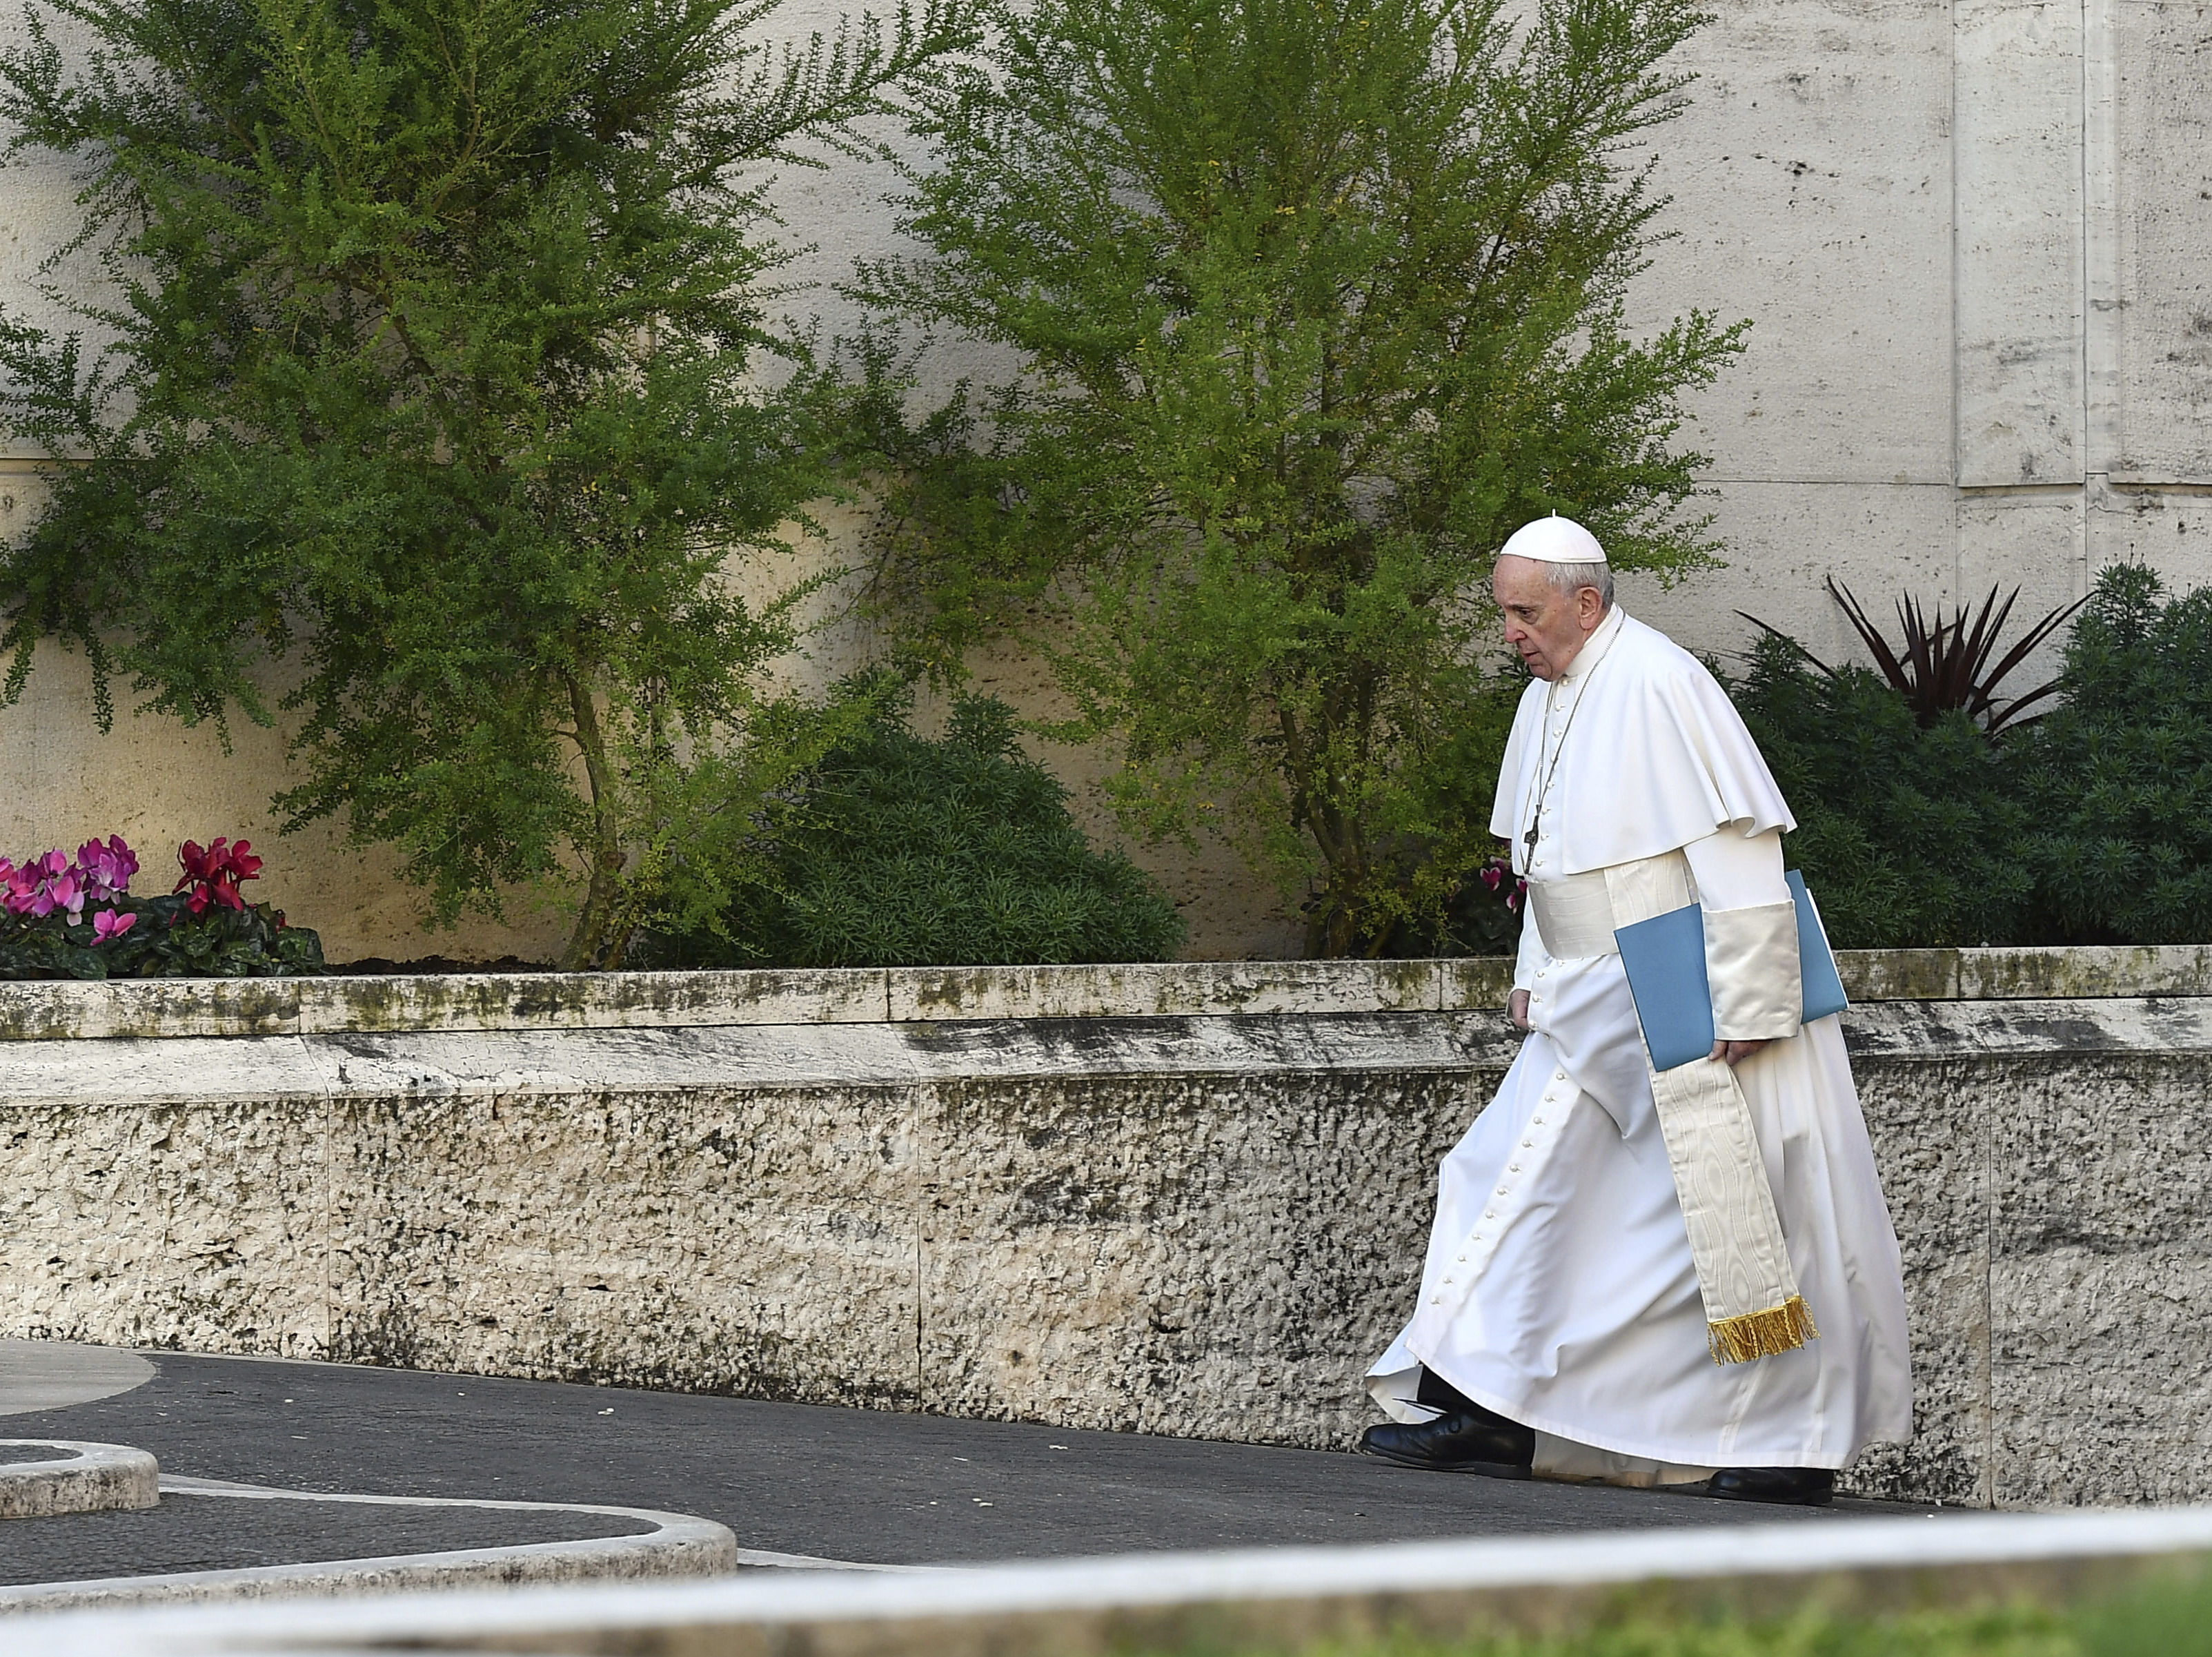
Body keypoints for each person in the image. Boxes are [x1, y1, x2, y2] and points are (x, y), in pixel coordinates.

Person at [1360, 514, 1913, 1504]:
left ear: (1585, 600)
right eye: (1501, 612)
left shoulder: (1660, 680)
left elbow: (1740, 852)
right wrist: (1530, 970)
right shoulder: (1550, 692)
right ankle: (1499, 1407)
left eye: (1523, 612)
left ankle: (1784, 1447)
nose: (1508, 633)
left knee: (1754, 1221)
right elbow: (1543, 859)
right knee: (1505, 1181)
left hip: (1682, 992)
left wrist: (1748, 1001)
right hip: (1585, 998)